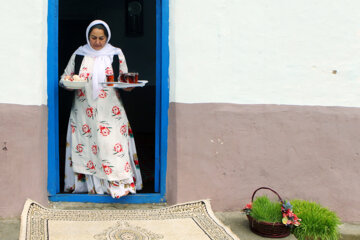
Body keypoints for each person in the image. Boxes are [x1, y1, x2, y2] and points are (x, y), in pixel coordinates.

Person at [59, 20, 142, 198]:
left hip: (110, 110)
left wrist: (128, 86)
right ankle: (88, 187)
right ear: (88, 37)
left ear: (107, 38)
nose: (97, 42)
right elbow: (66, 76)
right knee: (86, 145)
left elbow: (124, 77)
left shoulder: (115, 54)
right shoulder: (79, 54)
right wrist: (68, 83)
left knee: (112, 146)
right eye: (93, 38)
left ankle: (117, 187)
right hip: (83, 108)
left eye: (101, 38)